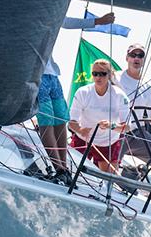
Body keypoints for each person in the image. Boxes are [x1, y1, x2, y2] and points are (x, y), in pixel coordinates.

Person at [37, 12, 115, 184]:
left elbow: (66, 21)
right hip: (38, 74)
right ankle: (58, 168)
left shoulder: (48, 9)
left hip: (52, 75)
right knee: (47, 120)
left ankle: (64, 169)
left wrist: (98, 22)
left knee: (60, 120)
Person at [68, 59, 130, 173]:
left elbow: (127, 127)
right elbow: (72, 123)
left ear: (110, 75)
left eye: (102, 74)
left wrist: (111, 125)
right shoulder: (83, 92)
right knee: (72, 172)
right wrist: (80, 130)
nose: (98, 77)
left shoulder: (120, 95)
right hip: (83, 139)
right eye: (95, 74)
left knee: (108, 182)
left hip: (108, 143)